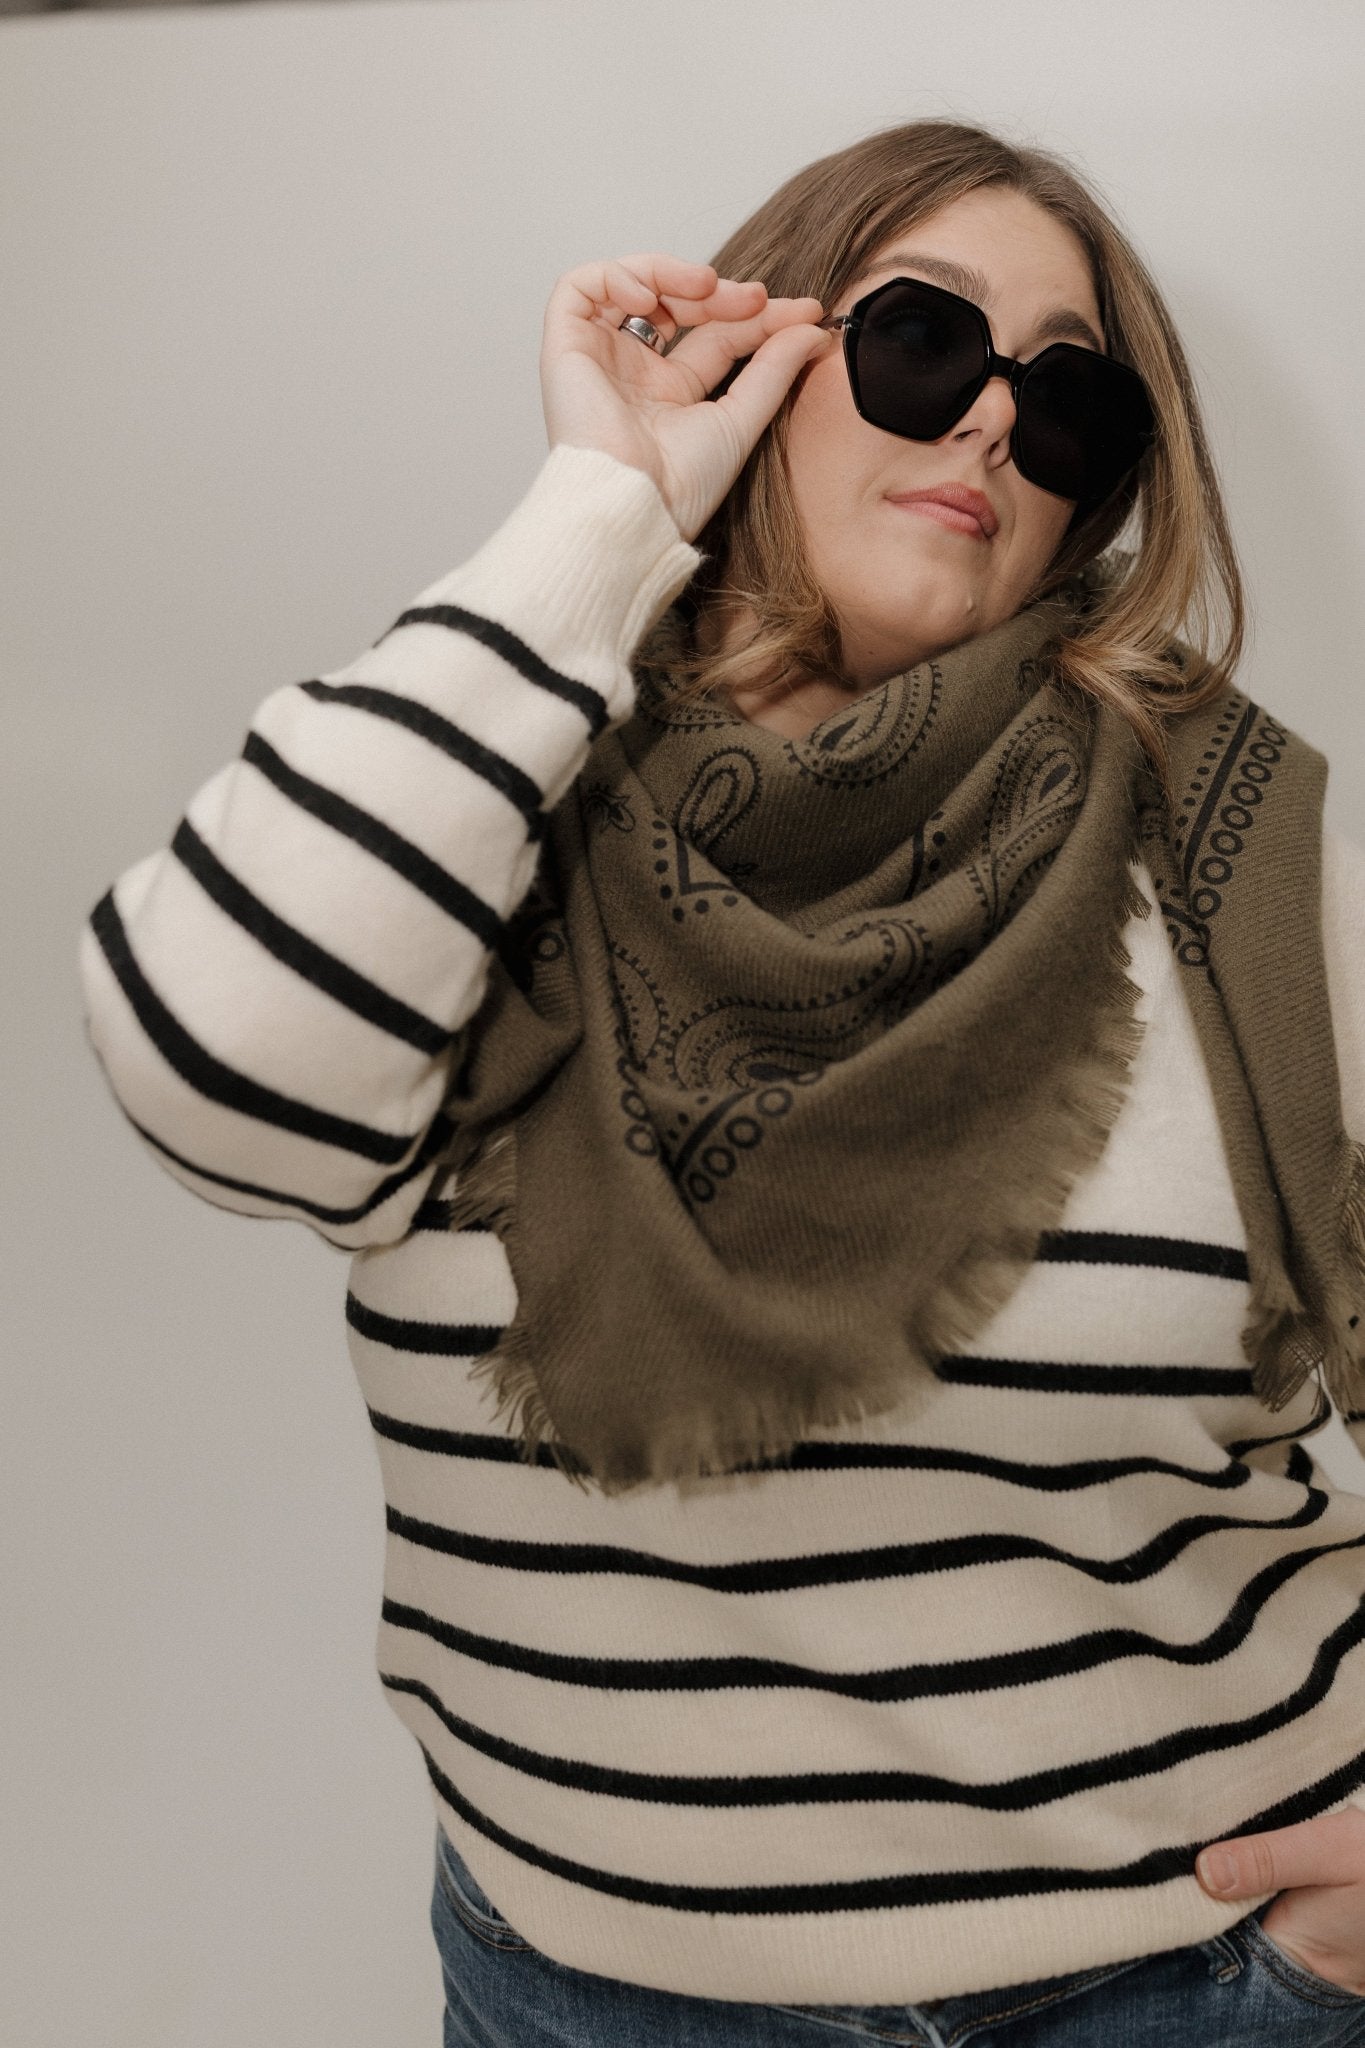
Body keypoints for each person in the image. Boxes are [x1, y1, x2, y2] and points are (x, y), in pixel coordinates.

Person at [78, 118, 1365, 2046]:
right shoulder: (484, 811)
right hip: (580, 2002)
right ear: (756, 360)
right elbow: (212, 1063)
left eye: (1068, 403)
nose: (991, 422)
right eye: (921, 340)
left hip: (1190, 1987)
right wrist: (606, 509)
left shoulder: (1233, 852)